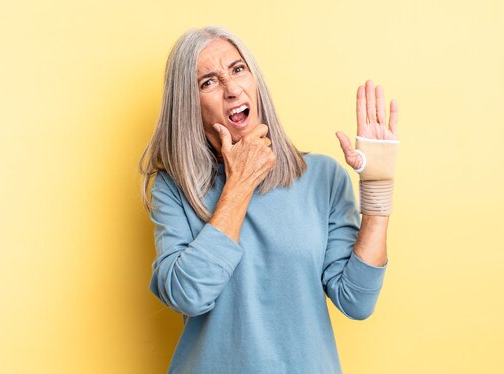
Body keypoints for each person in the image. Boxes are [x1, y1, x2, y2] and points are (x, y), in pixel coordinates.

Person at [139, 26, 399, 373]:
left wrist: (377, 189)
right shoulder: (174, 188)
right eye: (208, 82)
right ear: (189, 105)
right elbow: (189, 294)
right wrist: (239, 184)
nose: (232, 89)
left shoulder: (322, 177)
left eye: (237, 69)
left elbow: (357, 300)